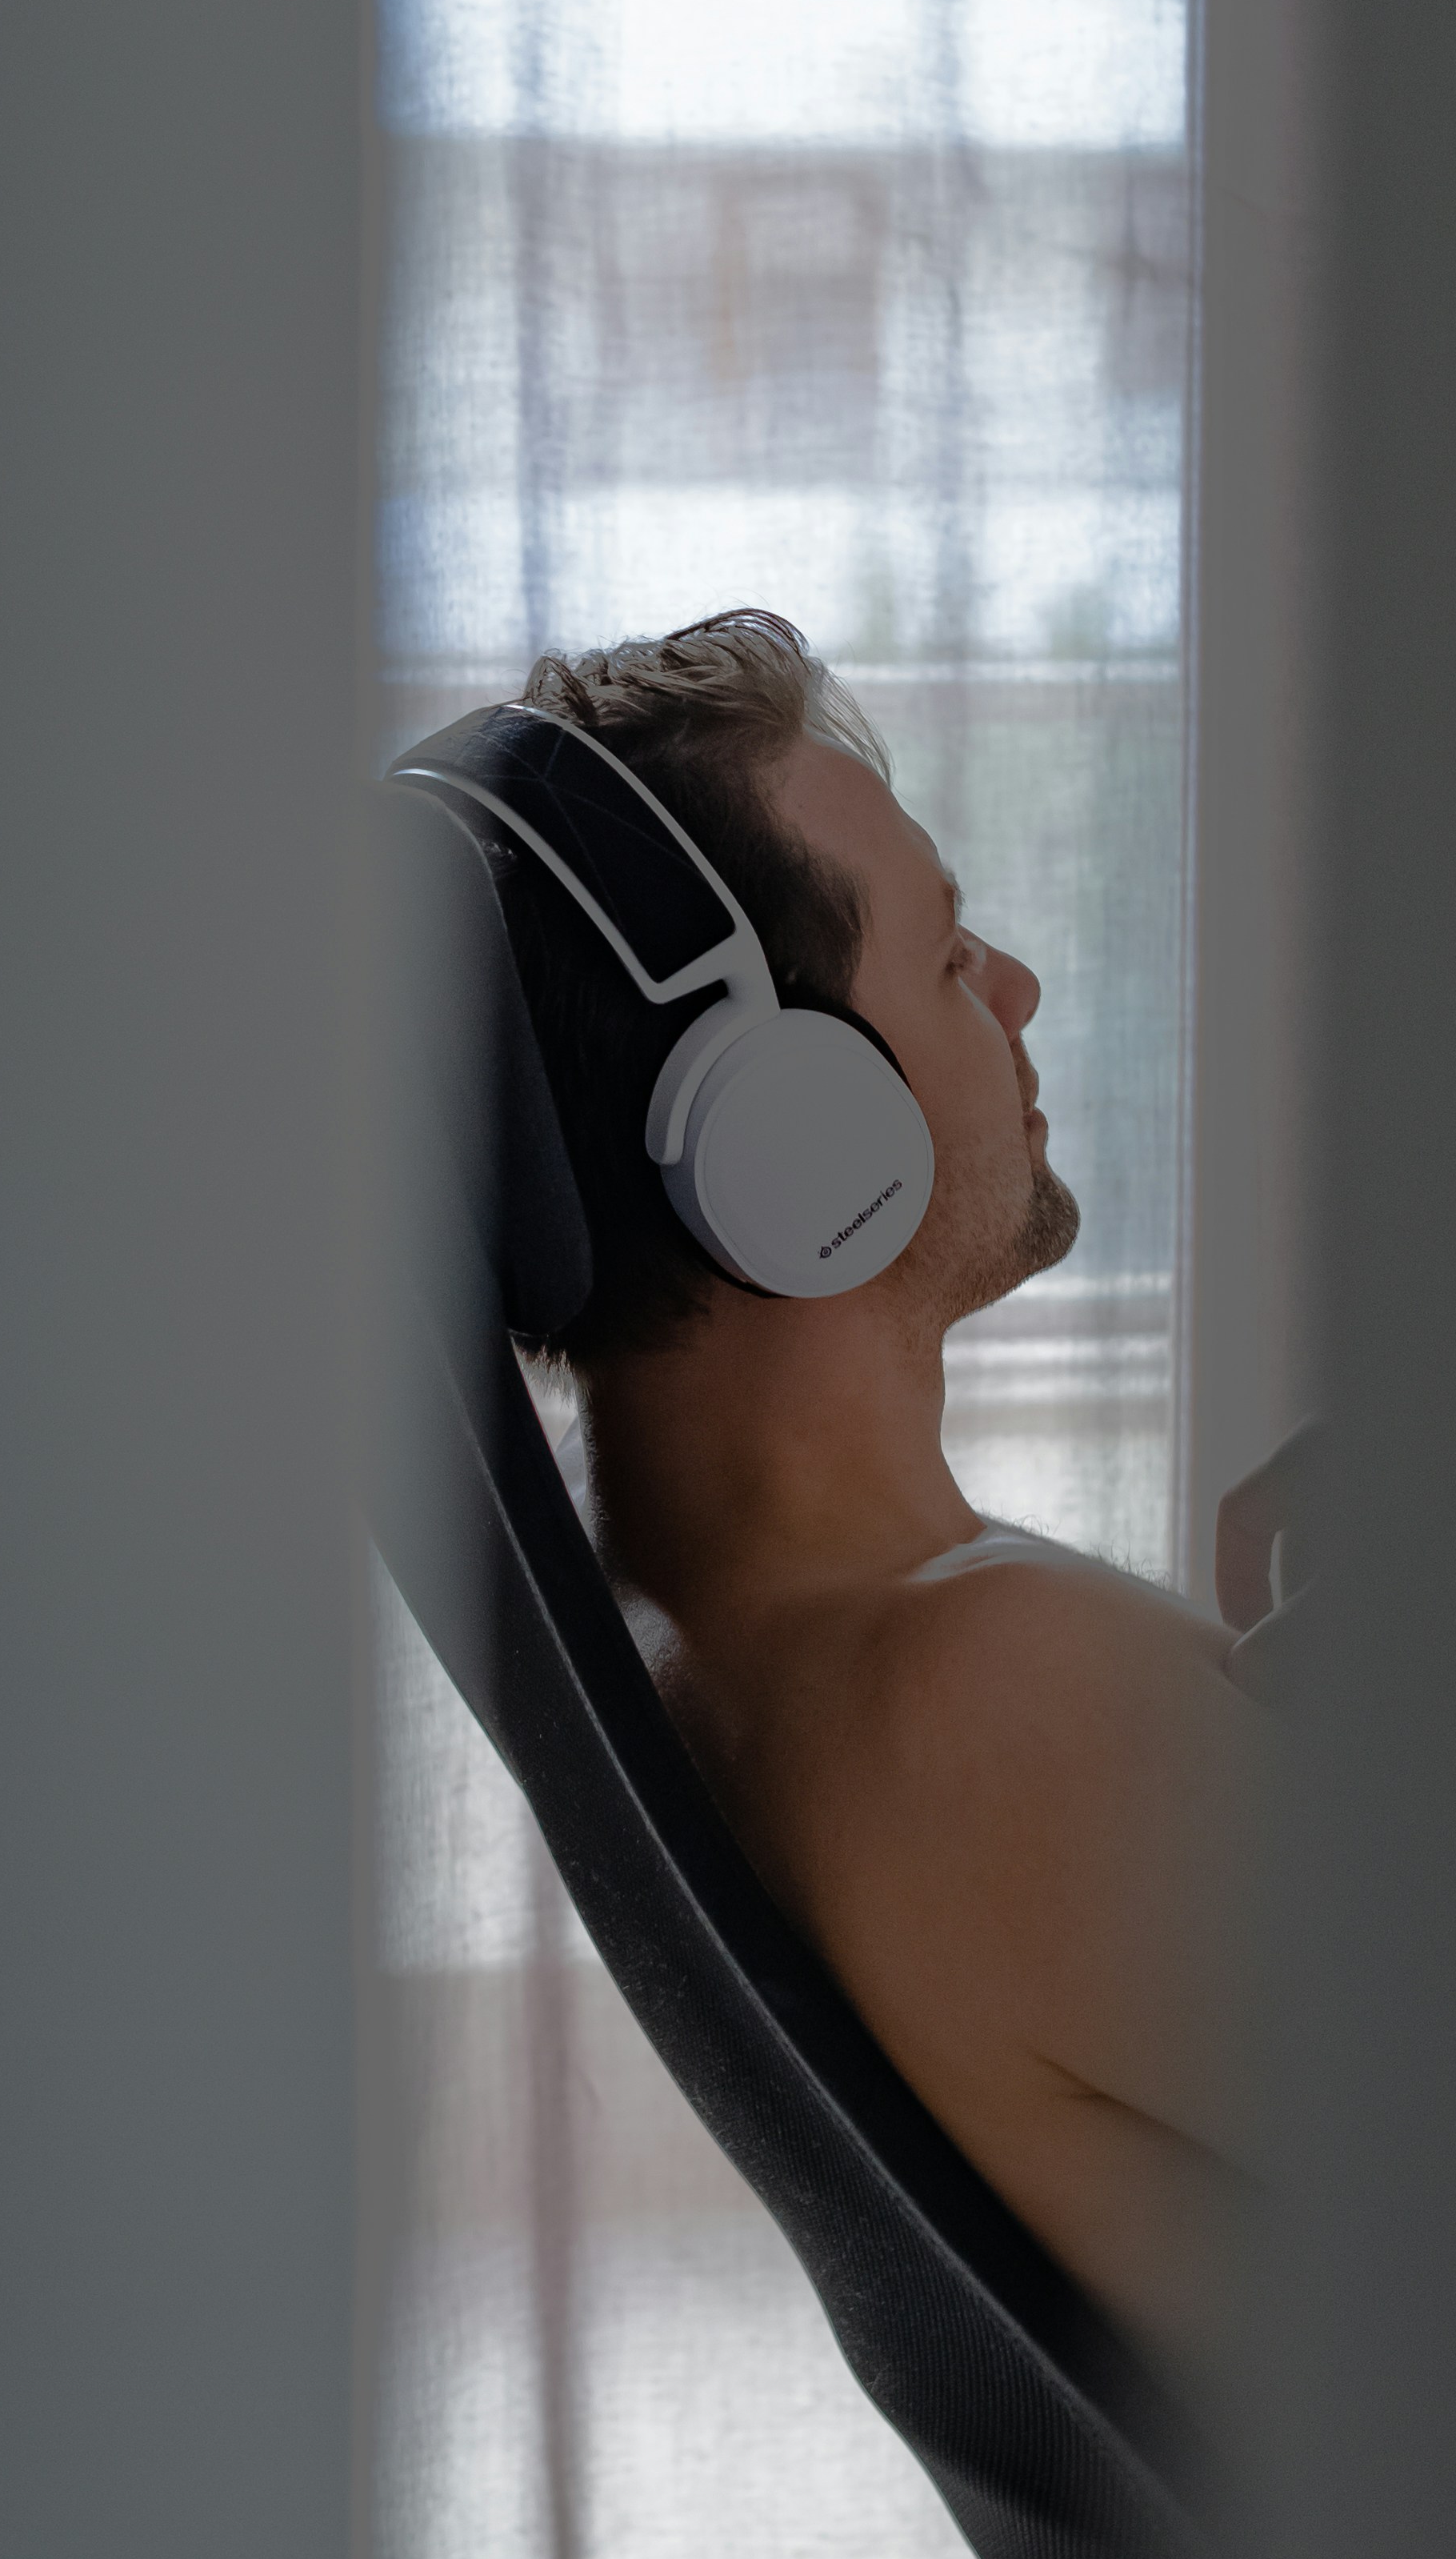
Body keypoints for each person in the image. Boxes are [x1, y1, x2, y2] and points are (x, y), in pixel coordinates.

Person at [494, 609, 1287, 2385]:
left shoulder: (702, 1652)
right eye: (944, 956)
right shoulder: (991, 1690)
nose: (1013, 988)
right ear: (787, 1131)